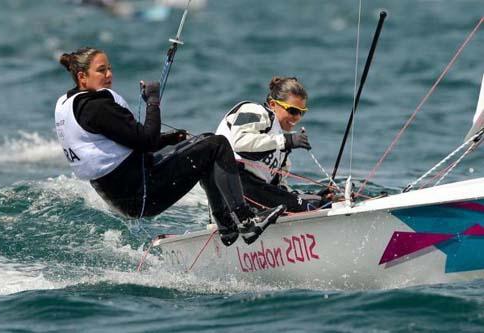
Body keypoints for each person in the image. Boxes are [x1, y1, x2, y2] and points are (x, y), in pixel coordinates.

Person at [54, 47, 285, 246]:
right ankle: (246, 221)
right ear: (82, 77)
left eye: (109, 68)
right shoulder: (95, 107)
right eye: (101, 70)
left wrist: (169, 138)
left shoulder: (71, 103)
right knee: (217, 145)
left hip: (126, 192)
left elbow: (128, 141)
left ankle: (226, 225)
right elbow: (147, 141)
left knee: (204, 145)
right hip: (141, 191)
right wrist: (152, 100)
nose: (109, 74)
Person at [216, 76, 333, 213]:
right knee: (309, 207)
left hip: (258, 190)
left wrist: (312, 197)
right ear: (273, 104)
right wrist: (286, 141)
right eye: (293, 111)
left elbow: (279, 188)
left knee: (319, 203)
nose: (297, 117)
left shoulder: (280, 145)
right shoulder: (255, 111)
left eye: (302, 112)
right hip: (235, 183)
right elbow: (240, 142)